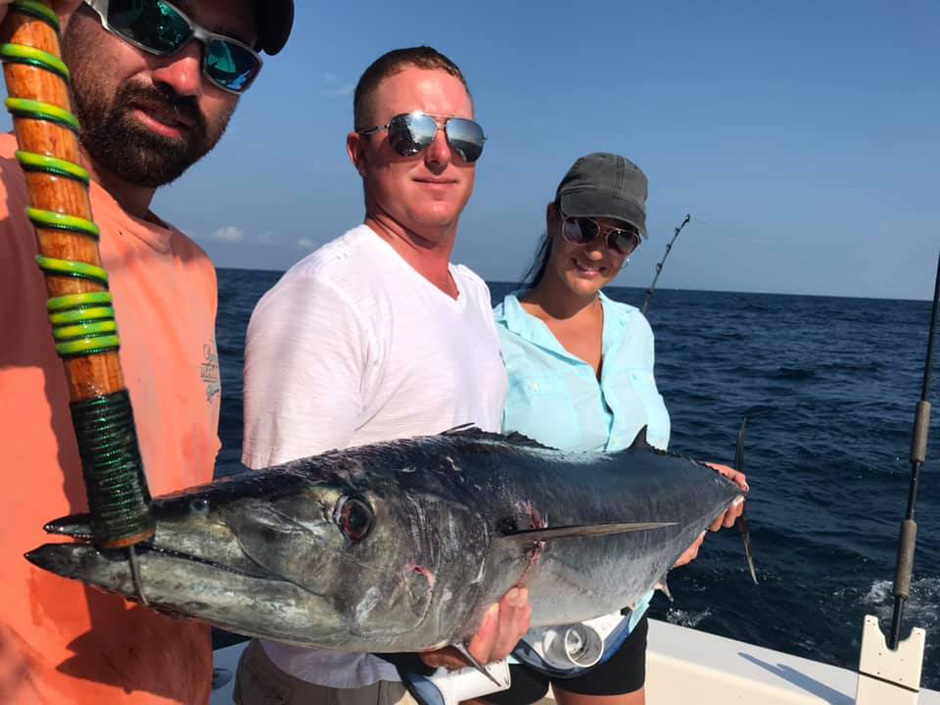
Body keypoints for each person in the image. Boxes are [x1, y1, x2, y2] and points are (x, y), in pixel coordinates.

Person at [0, 0, 293, 702]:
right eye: (152, 19)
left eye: (228, 58)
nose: (187, 74)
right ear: (66, 12)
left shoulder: (197, 272)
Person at [234, 46, 531, 705]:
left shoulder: (476, 294)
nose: (439, 154)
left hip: (455, 667)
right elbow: (290, 556)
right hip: (342, 683)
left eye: (463, 137)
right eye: (410, 133)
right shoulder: (322, 299)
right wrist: (419, 632)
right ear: (358, 151)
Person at [488, 152, 748, 705]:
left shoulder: (635, 329)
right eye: (583, 226)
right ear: (553, 218)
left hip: (619, 607)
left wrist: (697, 485)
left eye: (621, 238)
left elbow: (637, 460)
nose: (598, 249)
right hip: (510, 618)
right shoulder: (490, 337)